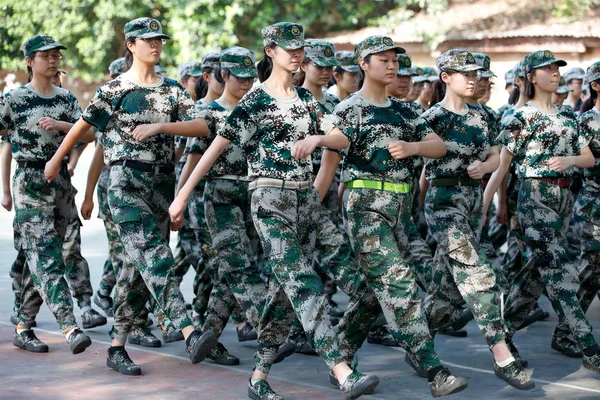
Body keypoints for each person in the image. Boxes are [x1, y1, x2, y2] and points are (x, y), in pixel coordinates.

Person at [170, 22, 379, 400]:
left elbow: (342, 138)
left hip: (308, 202)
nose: (296, 54)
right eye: (287, 48)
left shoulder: (305, 100)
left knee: (346, 288)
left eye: (299, 48)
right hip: (270, 202)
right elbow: (216, 146)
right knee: (304, 286)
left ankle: (260, 376)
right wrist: (182, 196)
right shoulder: (255, 101)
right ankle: (343, 371)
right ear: (270, 51)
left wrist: (318, 137)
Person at [45, 17, 218, 376]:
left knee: (135, 271)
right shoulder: (115, 89)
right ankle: (188, 331)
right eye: (147, 40)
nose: (155, 46)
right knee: (156, 259)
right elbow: (84, 127)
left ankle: (117, 345)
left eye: (159, 40)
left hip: (161, 184)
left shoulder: (171, 89)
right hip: (125, 183)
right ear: (131, 45)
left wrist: (161, 126)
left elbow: (203, 126)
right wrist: (57, 158)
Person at [316, 35, 468, 397]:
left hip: (402, 211)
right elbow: (328, 164)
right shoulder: (347, 110)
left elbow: (438, 146)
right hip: (365, 206)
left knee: (374, 293)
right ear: (363, 65)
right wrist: (309, 212)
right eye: (381, 59)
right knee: (399, 284)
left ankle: (341, 354)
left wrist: (413, 147)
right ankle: (434, 371)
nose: (391, 65)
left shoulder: (406, 110)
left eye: (394, 59)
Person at [421, 49, 534, 390]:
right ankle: (503, 357)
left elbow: (497, 155)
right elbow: (420, 167)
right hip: (443, 202)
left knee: (445, 290)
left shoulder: (485, 116)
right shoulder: (431, 118)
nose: (473, 79)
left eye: (476, 74)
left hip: (472, 201)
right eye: (464, 74)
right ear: (446, 78)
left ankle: (417, 341)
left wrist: (485, 168)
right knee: (478, 276)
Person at [483, 50, 600, 374]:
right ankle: (590, 348)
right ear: (531, 77)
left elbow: (588, 158)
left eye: (556, 68)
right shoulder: (520, 117)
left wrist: (570, 161)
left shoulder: (568, 116)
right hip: (534, 198)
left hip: (564, 200)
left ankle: (501, 334)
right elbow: (501, 168)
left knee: (535, 277)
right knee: (561, 271)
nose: (554, 73)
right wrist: (488, 207)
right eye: (546, 69)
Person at [0, 34, 95, 355]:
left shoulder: (66, 99)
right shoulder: (14, 99)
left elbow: (90, 132)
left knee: (38, 258)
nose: (53, 60)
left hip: (61, 182)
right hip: (29, 180)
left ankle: (24, 327)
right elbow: (4, 138)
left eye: (56, 55)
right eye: (45, 56)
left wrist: (61, 125)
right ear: (29, 61)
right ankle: (69, 326)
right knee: (45, 256)